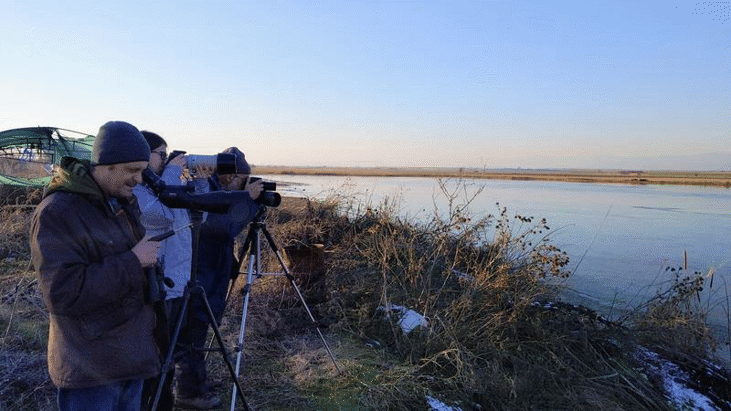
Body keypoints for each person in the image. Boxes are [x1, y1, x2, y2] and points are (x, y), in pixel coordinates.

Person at [30, 121, 161, 411]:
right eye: (132, 171)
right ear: (105, 165)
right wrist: (134, 260)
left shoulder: (120, 201)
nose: (139, 179)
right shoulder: (59, 212)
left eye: (142, 171)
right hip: (90, 369)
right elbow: (63, 292)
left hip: (129, 358)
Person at [132, 131, 218, 410]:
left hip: (181, 283)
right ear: (143, 155)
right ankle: (153, 403)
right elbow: (163, 216)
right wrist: (171, 174)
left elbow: (198, 216)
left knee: (175, 350)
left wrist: (201, 180)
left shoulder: (164, 186)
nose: (166, 160)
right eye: (161, 154)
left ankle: (171, 399)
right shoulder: (137, 190)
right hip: (161, 286)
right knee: (158, 356)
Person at [180, 146, 262, 402]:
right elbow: (225, 228)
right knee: (193, 330)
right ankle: (189, 392)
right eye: (239, 177)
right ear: (228, 174)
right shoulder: (204, 190)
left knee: (201, 329)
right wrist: (247, 200)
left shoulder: (220, 189)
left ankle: (198, 378)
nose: (241, 183)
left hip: (212, 270)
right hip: (198, 272)